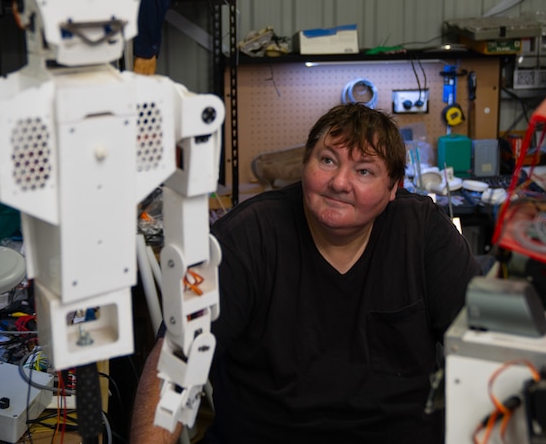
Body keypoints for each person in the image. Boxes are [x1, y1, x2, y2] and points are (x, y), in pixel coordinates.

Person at [131, 103, 481, 443]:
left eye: (364, 171)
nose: (340, 183)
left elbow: (485, 351)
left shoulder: (424, 234)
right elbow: (173, 357)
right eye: (328, 161)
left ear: (394, 188)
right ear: (305, 164)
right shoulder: (242, 237)